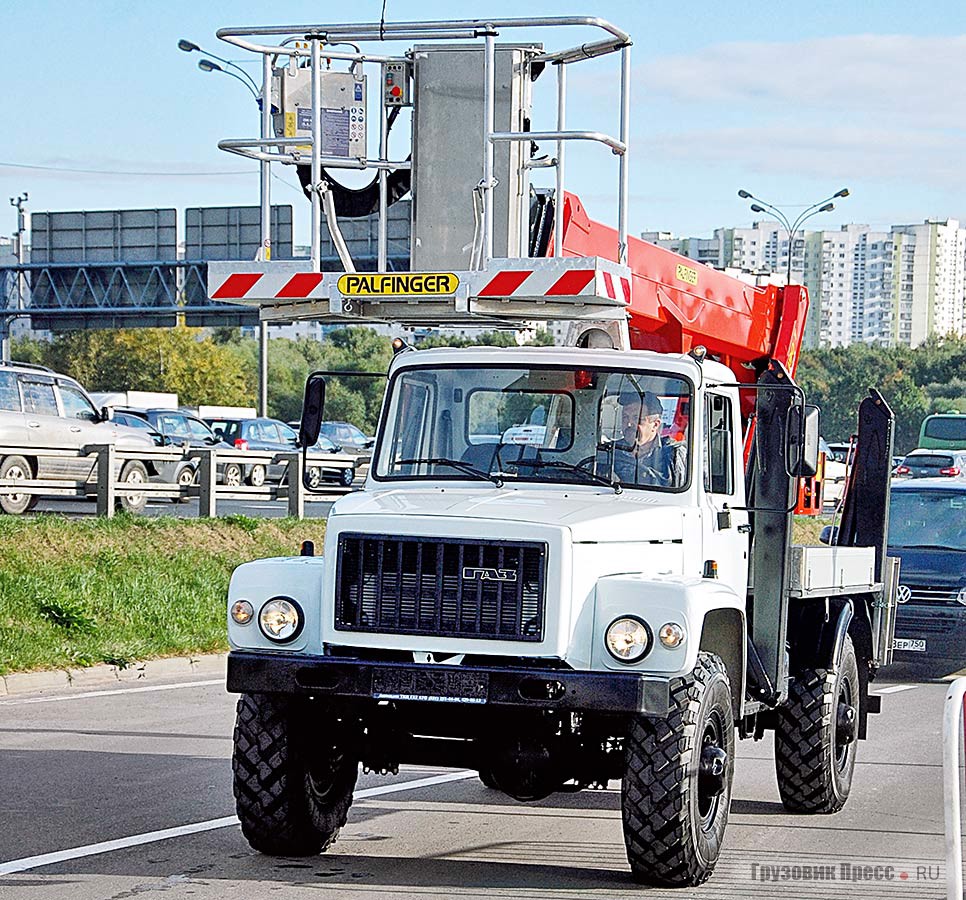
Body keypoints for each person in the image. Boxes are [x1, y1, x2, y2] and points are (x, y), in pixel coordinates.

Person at [598, 390, 686, 487]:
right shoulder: (609, 452)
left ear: (655, 425)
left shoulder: (673, 455)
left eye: (637, 418)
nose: (629, 424)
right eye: (625, 417)